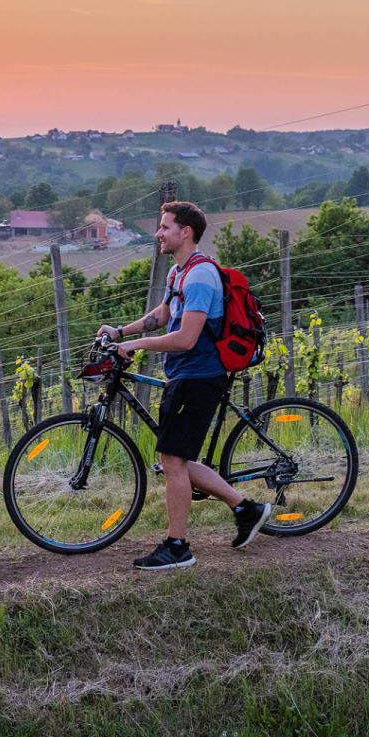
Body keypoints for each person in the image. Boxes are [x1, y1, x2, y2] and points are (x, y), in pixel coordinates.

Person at [97, 200, 272, 571]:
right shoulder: (180, 273)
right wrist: (120, 331)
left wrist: (134, 345)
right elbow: (162, 315)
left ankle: (178, 547)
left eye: (164, 227)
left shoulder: (200, 276)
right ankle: (246, 509)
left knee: (173, 460)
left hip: (199, 376)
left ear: (185, 232)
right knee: (175, 457)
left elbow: (187, 337)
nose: (158, 233)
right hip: (185, 375)